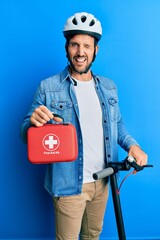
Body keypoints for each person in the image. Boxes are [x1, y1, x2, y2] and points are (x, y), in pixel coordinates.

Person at [20, 12, 148, 240]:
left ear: (95, 50)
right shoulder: (48, 87)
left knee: (92, 236)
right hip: (68, 185)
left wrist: (133, 146)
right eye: (75, 45)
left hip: (103, 181)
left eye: (87, 46)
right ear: (67, 48)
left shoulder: (108, 87)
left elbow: (118, 125)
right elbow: (25, 134)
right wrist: (32, 124)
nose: (81, 52)